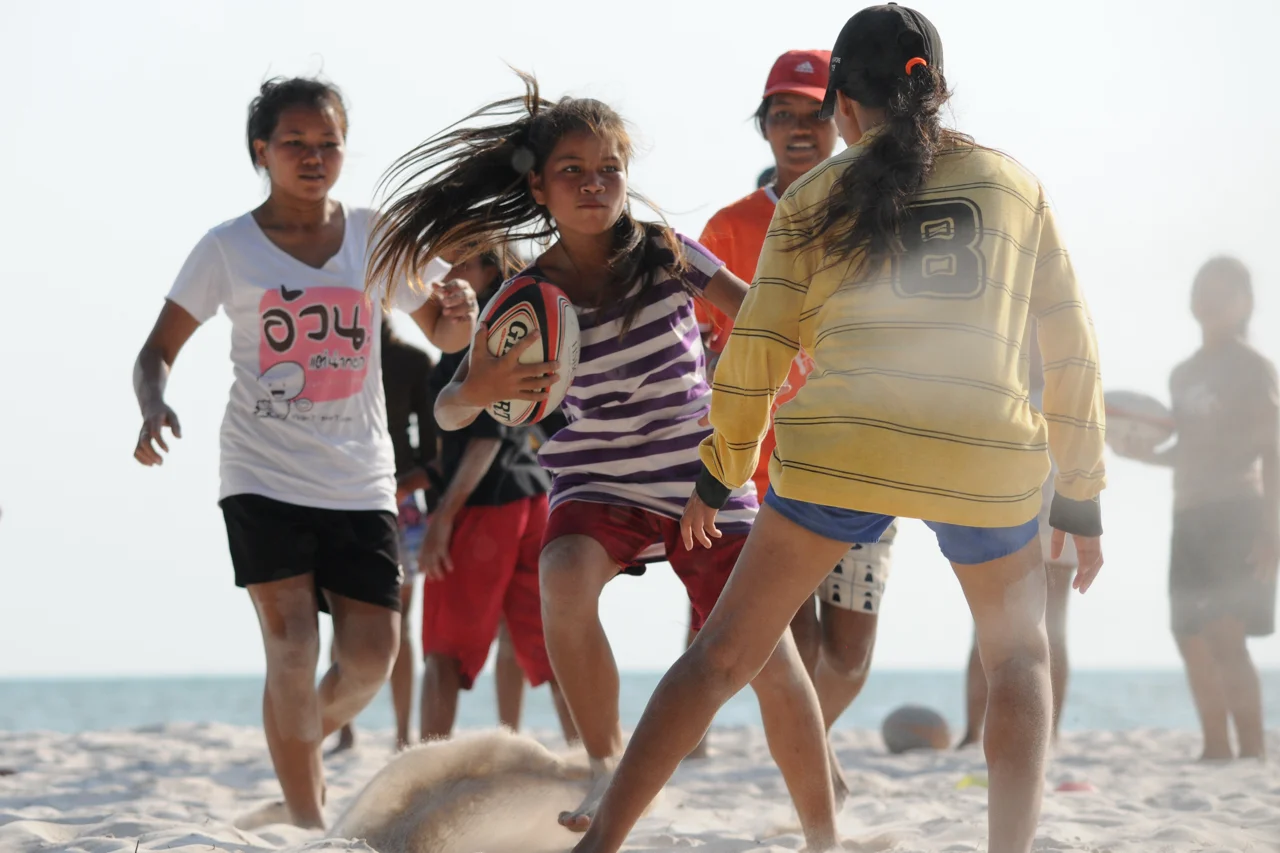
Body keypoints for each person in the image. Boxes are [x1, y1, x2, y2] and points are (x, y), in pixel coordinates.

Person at [570, 7, 1107, 853]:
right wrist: (1081, 493)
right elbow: (1070, 346)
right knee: (1018, 659)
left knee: (721, 655)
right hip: (984, 452)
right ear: (936, 89)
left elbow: (759, 347)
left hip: (841, 448)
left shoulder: (814, 195)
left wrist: (720, 471)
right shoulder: (1015, 186)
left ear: (843, 108)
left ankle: (599, 842)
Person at [368, 72, 838, 850]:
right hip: (596, 480)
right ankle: (604, 758)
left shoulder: (664, 252)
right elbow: (451, 407)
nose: (593, 184)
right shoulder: (526, 295)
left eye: (609, 169)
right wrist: (480, 386)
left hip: (697, 475)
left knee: (775, 661)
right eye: (572, 170)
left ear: (627, 176)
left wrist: (816, 348)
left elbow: (755, 308)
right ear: (540, 187)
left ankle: (824, 833)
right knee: (561, 576)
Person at [131, 77, 475, 829]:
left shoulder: (373, 235)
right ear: (262, 151)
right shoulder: (227, 248)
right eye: (295, 143)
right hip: (261, 472)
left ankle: (296, 743)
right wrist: (154, 404)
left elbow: (443, 330)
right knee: (290, 645)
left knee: (372, 659)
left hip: (359, 477)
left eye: (328, 143)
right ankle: (306, 822)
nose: (314, 156)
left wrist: (461, 309)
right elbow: (156, 350)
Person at [694, 49, 897, 748]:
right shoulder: (729, 227)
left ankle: (806, 751)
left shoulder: (878, 213)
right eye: (783, 114)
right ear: (765, 126)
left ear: (842, 117)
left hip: (863, 459)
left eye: (814, 113)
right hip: (763, 473)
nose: (799, 128)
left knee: (850, 657)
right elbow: (695, 343)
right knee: (794, 641)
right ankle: (804, 770)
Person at [412, 247, 578, 745]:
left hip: (485, 507)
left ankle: (428, 774)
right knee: (554, 648)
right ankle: (594, 764)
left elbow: (486, 439)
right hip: (533, 498)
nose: (446, 273)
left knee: (443, 650)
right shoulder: (532, 327)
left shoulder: (488, 333)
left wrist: (443, 517)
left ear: (489, 270)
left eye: (459, 262)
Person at [1117, 256, 1277, 761]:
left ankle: (1252, 752)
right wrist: (1143, 455)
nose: (1209, 300)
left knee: (1226, 633)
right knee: (1188, 633)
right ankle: (1215, 748)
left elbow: (1273, 449)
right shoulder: (1182, 373)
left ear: (1245, 303)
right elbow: (1187, 449)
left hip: (1238, 512)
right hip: (1188, 514)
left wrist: (1272, 532)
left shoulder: (1253, 367)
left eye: (1223, 292)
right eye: (1202, 289)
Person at [959, 330, 1075, 748]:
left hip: (1055, 520)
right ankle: (973, 732)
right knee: (989, 626)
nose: (1031, 344)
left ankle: (1050, 733)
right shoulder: (999, 390)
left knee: (1051, 628)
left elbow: (1084, 463)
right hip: (1005, 517)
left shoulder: (1066, 392)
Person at [330, 317, 438, 754]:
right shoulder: (406, 360)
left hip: (362, 496)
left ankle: (373, 733)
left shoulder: (338, 357)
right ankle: (388, 734)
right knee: (389, 622)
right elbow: (433, 451)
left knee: (346, 617)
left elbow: (433, 448)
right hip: (379, 497)